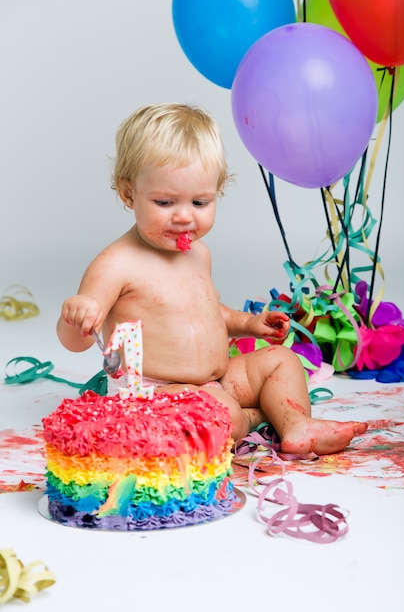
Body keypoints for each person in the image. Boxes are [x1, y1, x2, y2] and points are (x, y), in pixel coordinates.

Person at [57, 102, 368, 455]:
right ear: (129, 193)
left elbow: (206, 310)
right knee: (217, 414)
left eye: (200, 203)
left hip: (216, 380)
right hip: (156, 392)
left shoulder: (198, 253)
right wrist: (77, 317)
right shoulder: (116, 263)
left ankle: (296, 423)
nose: (184, 217)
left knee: (281, 361)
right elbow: (77, 340)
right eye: (164, 202)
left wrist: (249, 324)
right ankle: (256, 418)